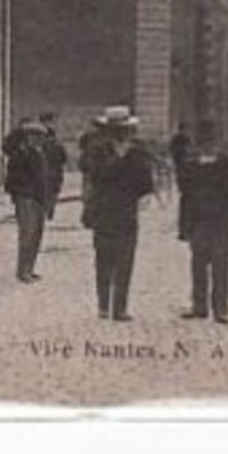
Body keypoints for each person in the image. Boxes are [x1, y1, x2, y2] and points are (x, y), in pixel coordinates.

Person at [83, 107, 156, 321]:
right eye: (116, 130)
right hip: (103, 212)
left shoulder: (138, 151)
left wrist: (136, 164)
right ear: (108, 130)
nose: (122, 134)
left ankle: (120, 308)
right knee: (104, 260)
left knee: (125, 261)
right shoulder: (97, 150)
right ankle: (103, 305)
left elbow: (145, 184)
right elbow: (96, 175)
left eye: (125, 130)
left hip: (126, 212)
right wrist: (119, 159)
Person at [176, 120, 228, 324]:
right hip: (199, 219)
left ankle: (221, 308)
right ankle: (199, 306)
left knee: (221, 264)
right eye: (204, 141)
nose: (207, 145)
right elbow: (185, 193)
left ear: (218, 142)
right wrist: (185, 225)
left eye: (211, 141)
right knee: (198, 263)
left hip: (221, 220)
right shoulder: (190, 164)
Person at [4, 118, 51, 283]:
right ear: (28, 137)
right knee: (27, 235)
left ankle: (30, 268)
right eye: (35, 136)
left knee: (37, 235)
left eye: (40, 136)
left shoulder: (40, 154)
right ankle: (22, 270)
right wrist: (20, 196)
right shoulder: (20, 154)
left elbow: (44, 179)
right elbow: (11, 180)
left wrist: (46, 201)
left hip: (38, 199)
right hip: (26, 199)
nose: (38, 139)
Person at [39, 114, 67, 221]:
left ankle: (45, 210)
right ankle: (50, 210)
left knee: (45, 192)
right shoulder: (58, 145)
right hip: (56, 173)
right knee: (53, 193)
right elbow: (64, 159)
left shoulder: (42, 146)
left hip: (44, 172)